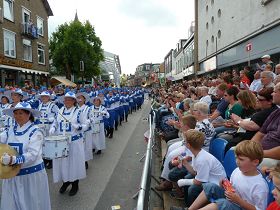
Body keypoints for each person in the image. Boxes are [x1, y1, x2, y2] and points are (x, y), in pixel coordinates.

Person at [179, 140, 268, 210]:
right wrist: (225, 185)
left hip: (241, 206)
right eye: (236, 157)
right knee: (210, 186)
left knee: (223, 203)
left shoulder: (259, 185)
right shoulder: (237, 171)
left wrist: (239, 201)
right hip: (233, 199)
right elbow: (233, 188)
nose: (237, 161)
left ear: (255, 162)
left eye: (241, 159)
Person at [0, 102, 51, 210]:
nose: (17, 116)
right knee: (11, 204)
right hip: (12, 175)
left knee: (30, 204)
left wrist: (13, 160)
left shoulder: (36, 131)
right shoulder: (10, 130)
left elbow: (32, 155)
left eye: (21, 113)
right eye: (16, 113)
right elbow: (1, 138)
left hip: (30, 176)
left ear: (29, 115)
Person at [170, 129, 226, 208]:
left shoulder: (202, 159)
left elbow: (199, 181)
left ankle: (191, 207)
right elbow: (195, 173)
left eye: (185, 141)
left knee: (192, 189)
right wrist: (185, 163)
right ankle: (187, 205)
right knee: (187, 178)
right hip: (207, 179)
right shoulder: (196, 153)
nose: (184, 142)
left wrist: (183, 181)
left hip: (215, 185)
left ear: (189, 145)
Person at [49, 91, 89, 196]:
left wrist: (79, 127)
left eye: (69, 99)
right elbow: (56, 122)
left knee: (73, 163)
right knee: (63, 163)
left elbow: (86, 125)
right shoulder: (60, 111)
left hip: (74, 142)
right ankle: (65, 182)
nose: (67, 101)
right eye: (65, 99)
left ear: (74, 101)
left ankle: (75, 184)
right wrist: (53, 127)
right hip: (61, 141)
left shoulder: (79, 111)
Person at [36, 91, 59, 169]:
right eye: (42, 97)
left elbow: (58, 116)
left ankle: (51, 160)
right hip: (41, 126)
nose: (43, 98)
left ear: (49, 98)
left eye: (45, 97)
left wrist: (53, 119)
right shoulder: (39, 105)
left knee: (50, 143)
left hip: (50, 126)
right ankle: (44, 159)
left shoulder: (53, 106)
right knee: (42, 143)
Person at [76, 92, 92, 169]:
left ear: (84, 99)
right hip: (78, 130)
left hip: (86, 130)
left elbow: (91, 118)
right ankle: (79, 160)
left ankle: (85, 161)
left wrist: (88, 121)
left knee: (86, 146)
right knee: (79, 147)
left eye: (81, 98)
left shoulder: (88, 108)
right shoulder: (75, 108)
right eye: (78, 98)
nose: (79, 99)